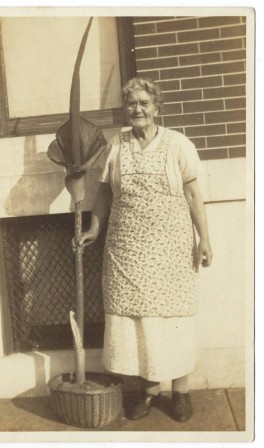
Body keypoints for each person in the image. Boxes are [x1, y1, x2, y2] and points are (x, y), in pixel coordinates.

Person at [76, 77, 213, 422]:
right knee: (135, 323)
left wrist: (205, 239)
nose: (137, 109)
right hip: (126, 249)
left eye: (144, 103)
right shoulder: (116, 146)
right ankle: (147, 392)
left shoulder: (178, 144)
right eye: (131, 103)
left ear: (156, 108)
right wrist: (94, 226)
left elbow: (194, 195)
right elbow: (105, 192)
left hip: (171, 249)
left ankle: (180, 392)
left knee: (172, 321)